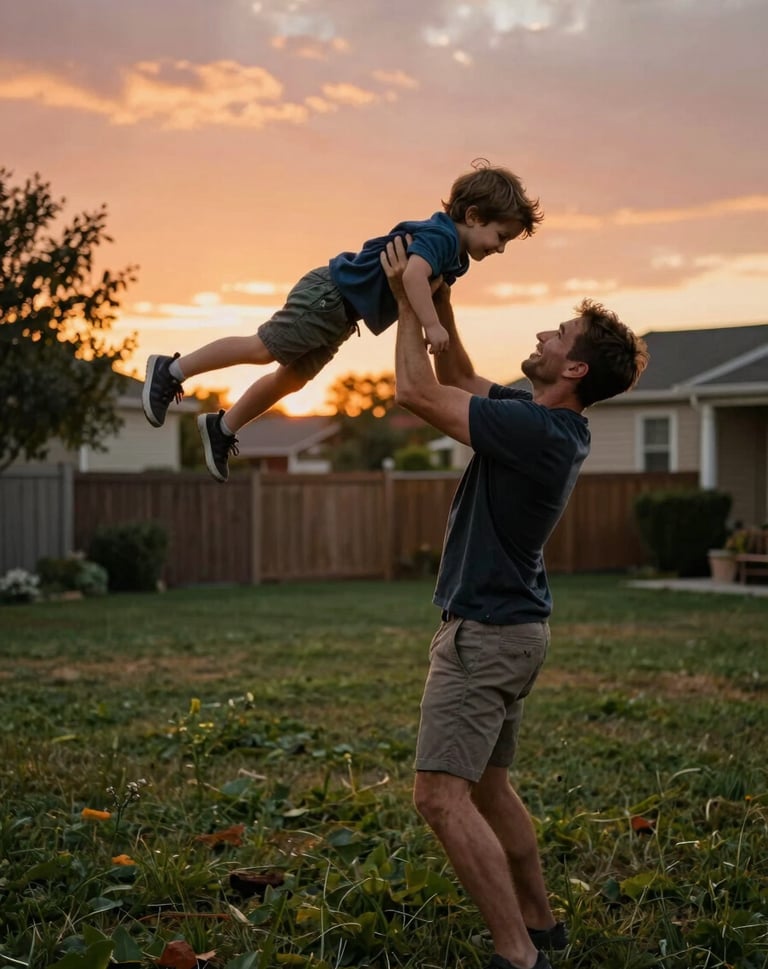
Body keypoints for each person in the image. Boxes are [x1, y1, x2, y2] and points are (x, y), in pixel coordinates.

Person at [380, 236, 649, 969]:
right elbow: (458, 372)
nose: (541, 333)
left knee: (439, 796)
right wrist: (441, 294)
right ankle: (541, 923)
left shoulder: (536, 431)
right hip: (517, 629)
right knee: (491, 788)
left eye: (558, 333)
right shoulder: (545, 423)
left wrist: (407, 299)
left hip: (487, 635)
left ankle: (517, 955)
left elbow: (415, 390)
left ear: (575, 367)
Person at [141, 160, 542, 481]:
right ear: (473, 215)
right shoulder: (442, 237)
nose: (501, 249)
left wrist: (434, 317)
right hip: (330, 294)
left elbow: (429, 287)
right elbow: (414, 274)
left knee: (292, 379)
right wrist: (431, 326)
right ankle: (171, 370)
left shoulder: (455, 259)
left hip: (342, 315)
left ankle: (222, 428)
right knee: (263, 348)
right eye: (501, 236)